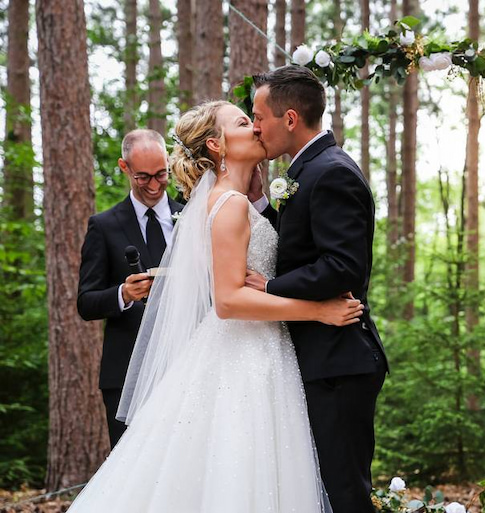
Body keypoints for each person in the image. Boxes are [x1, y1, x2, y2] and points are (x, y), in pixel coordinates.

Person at [67, 101, 363, 512]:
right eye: (244, 123)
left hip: (261, 349)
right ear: (216, 144)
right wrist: (317, 310)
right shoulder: (229, 206)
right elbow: (227, 301)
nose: (257, 128)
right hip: (244, 356)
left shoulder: (235, 200)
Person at [249, 65, 388, 513]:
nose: (254, 126)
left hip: (338, 362)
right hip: (318, 357)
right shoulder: (307, 170)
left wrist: (270, 287)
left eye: (259, 116)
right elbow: (302, 244)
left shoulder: (331, 172)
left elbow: (342, 266)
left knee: (344, 492)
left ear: (289, 119)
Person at [77, 129, 183, 448]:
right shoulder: (104, 225)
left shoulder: (190, 218)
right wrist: (123, 294)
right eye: (143, 177)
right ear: (124, 168)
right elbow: (86, 302)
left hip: (185, 365)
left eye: (161, 174)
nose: (154, 185)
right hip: (126, 375)